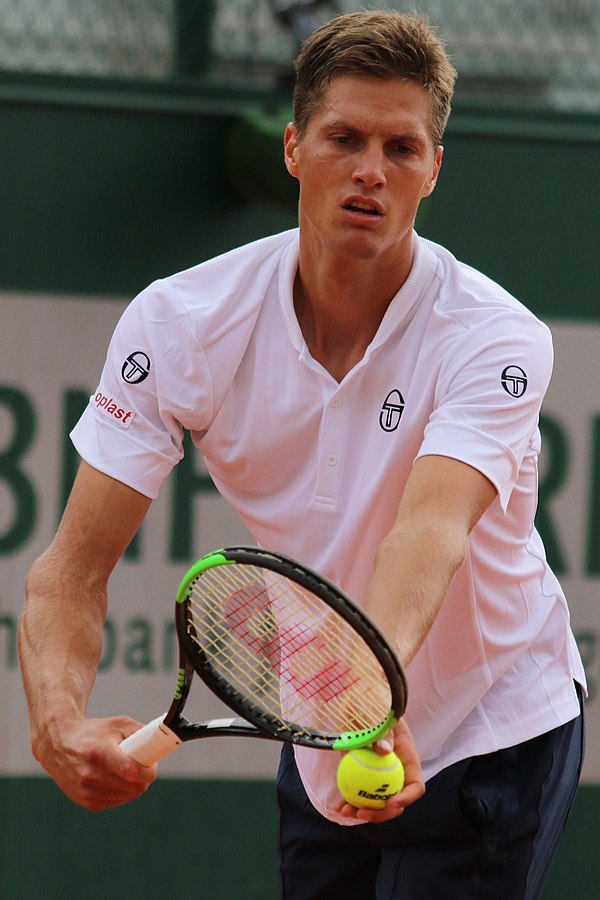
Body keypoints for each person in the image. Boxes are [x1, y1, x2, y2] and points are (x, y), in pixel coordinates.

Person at [19, 10, 585, 900]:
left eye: (402, 148)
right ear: (292, 148)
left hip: (491, 727)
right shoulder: (183, 323)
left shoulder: (494, 335)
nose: (370, 170)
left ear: (434, 169)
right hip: (326, 728)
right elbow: (69, 573)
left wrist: (378, 703)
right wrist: (57, 724)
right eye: (344, 138)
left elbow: (427, 529)